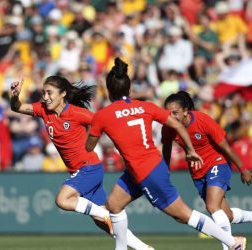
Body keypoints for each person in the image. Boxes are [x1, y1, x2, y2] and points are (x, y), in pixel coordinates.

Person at [86, 58, 247, 250]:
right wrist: (190, 150)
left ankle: (232, 242)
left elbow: (89, 147)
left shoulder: (103, 115)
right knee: (113, 205)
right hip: (143, 168)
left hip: (146, 172)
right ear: (129, 90)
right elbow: (178, 124)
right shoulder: (145, 106)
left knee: (184, 215)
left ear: (108, 91)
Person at [10, 76, 153, 250]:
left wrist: (129, 138)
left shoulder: (77, 113)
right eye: (44, 93)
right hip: (81, 171)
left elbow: (103, 123)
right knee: (105, 224)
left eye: (50, 93)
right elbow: (16, 107)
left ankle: (103, 214)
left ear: (63, 94)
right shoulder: (42, 110)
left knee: (63, 199)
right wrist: (15, 96)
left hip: (89, 168)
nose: (45, 97)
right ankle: (144, 249)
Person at [161, 91, 252, 250]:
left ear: (185, 111)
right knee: (226, 215)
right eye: (168, 113)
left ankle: (231, 246)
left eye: (175, 113)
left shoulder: (203, 120)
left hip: (218, 162)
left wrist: (243, 169)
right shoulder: (168, 128)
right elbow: (167, 148)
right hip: (198, 172)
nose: (171, 116)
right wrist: (164, 171)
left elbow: (226, 147)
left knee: (212, 206)